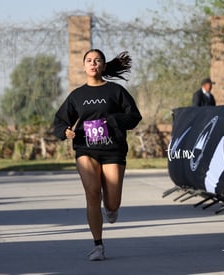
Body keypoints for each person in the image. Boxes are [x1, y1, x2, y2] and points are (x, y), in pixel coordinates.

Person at [53, 49, 142, 261]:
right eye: (89, 61)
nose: (93, 63)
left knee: (111, 203)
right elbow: (60, 120)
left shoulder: (115, 91)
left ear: (103, 65)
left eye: (98, 60)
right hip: (86, 149)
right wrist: (64, 131)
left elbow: (134, 116)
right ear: (84, 66)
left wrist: (113, 120)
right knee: (93, 194)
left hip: (113, 150)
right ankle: (98, 246)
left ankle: (111, 210)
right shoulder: (77, 96)